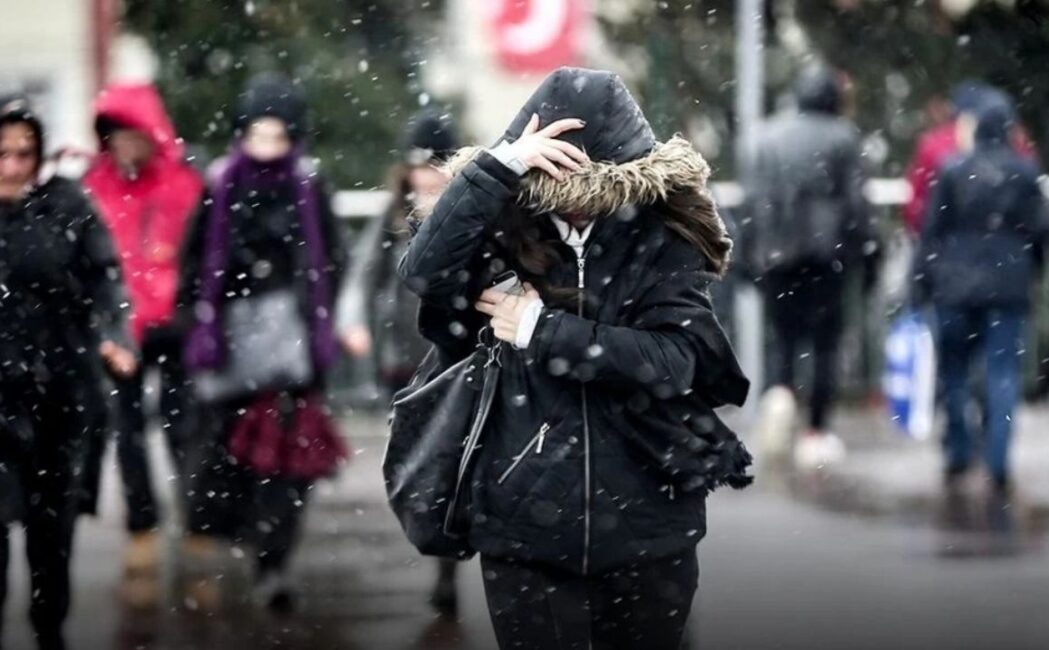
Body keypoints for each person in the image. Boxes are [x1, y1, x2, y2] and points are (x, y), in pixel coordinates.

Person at [399, 67, 752, 650]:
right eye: (556, 178)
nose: (580, 205)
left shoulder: (660, 238)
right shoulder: (501, 230)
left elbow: (674, 360)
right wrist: (500, 165)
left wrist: (543, 330)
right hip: (524, 524)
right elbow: (423, 271)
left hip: (648, 518)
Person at [177, 73, 347, 612]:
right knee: (223, 460)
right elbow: (193, 264)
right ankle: (234, 544)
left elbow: (331, 264)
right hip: (226, 351)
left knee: (287, 466)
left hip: (292, 357)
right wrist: (199, 324)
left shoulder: (308, 187)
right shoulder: (221, 184)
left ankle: (273, 563)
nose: (268, 147)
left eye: (278, 136)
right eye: (258, 134)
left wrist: (314, 325)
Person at [0, 96, 135, 650]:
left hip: (57, 392)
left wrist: (114, 336)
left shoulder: (65, 205)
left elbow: (106, 279)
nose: (11, 167)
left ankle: (49, 629)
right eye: (2, 154)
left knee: (50, 531)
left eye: (23, 154)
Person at [334, 107, 462, 614]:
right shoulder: (393, 221)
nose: (425, 176)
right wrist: (353, 323)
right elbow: (362, 277)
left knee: (451, 461)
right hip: (403, 363)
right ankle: (435, 539)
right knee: (418, 463)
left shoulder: (469, 212)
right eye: (418, 166)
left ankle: (447, 565)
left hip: (455, 356)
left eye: (434, 165)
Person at [82, 82, 203, 601]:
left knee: (184, 432)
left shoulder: (184, 182)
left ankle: (197, 528)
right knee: (127, 434)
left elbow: (199, 256)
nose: (124, 146)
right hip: (122, 333)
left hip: (173, 327)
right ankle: (143, 529)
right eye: (115, 136)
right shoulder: (94, 186)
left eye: (132, 134)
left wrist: (186, 308)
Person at [742, 65, 879, 469]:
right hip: (826, 255)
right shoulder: (843, 137)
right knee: (824, 344)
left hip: (777, 254)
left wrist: (748, 256)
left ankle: (780, 395)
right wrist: (866, 253)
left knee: (782, 337)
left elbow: (752, 201)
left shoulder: (766, 136)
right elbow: (857, 205)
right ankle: (816, 432)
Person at [914, 98, 1049, 492]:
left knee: (954, 370)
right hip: (1007, 287)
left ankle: (959, 452)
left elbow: (932, 233)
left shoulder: (952, 170)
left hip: (954, 287)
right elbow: (1042, 231)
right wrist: (1032, 270)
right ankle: (997, 459)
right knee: (1003, 372)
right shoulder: (1025, 174)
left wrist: (922, 281)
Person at [903, 81, 1036, 238]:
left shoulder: (934, 144)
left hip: (952, 247)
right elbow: (1033, 198)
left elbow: (916, 202)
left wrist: (930, 239)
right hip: (1009, 245)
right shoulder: (1015, 140)